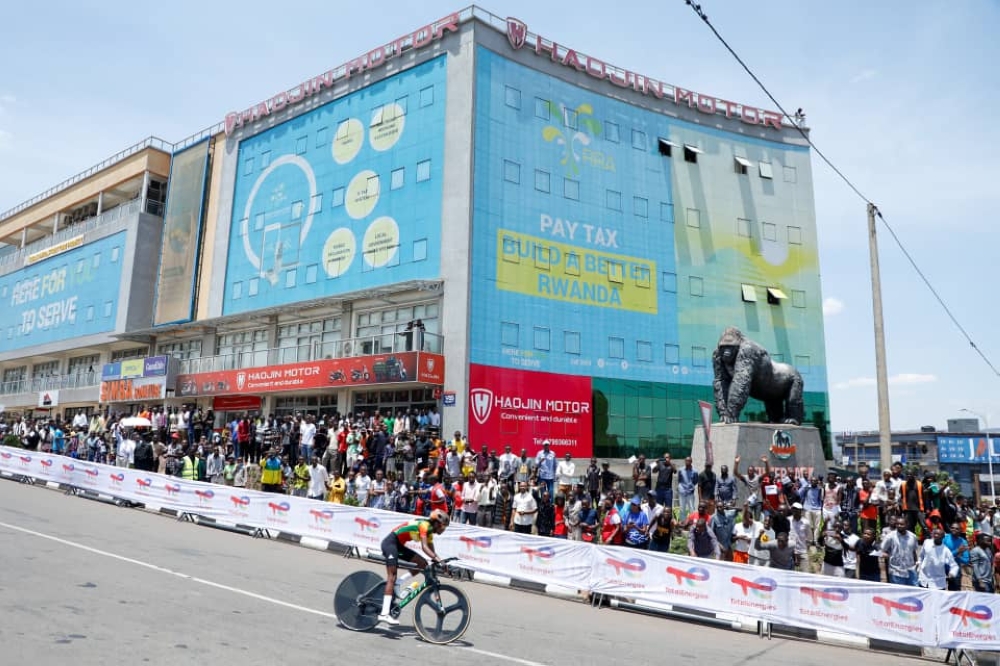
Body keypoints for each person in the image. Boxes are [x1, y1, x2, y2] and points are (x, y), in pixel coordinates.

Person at [378, 510, 449, 626]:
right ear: (436, 523)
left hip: (399, 546)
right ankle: (384, 614)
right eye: (443, 526)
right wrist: (439, 560)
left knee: (422, 564)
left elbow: (431, 552)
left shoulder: (430, 532)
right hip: (390, 543)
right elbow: (424, 547)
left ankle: (399, 582)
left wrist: (440, 561)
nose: (443, 529)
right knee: (392, 576)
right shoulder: (424, 526)